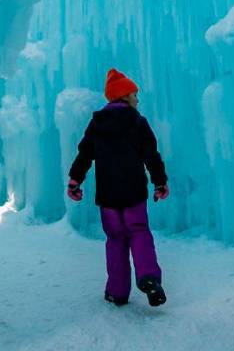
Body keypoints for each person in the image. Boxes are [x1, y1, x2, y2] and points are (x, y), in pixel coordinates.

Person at [67, 68, 170, 308]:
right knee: (139, 231)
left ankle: (117, 292)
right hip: (134, 192)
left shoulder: (97, 123)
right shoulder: (138, 122)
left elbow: (84, 154)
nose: (137, 99)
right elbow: (151, 156)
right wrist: (160, 181)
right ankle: (149, 278)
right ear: (123, 96)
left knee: (115, 240)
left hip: (108, 196)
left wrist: (75, 180)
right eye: (134, 94)